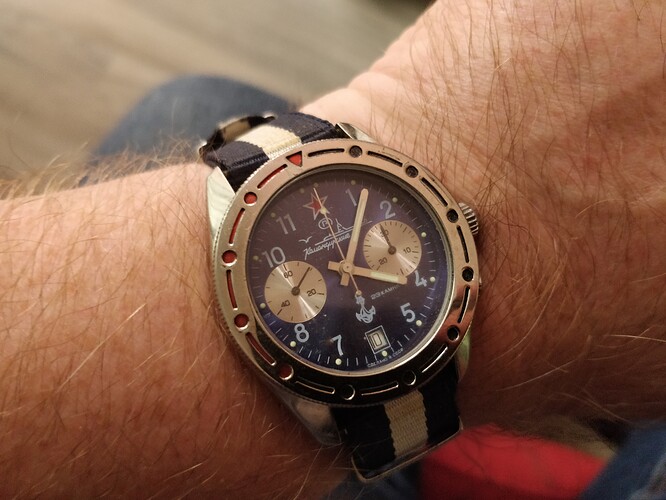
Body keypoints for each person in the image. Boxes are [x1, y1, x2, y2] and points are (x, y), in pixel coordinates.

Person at [1, 0, 665, 497]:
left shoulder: (429, 250)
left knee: (190, 102)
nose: (345, 267)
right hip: (350, 373)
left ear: (459, 223)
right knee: (194, 102)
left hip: (374, 351)